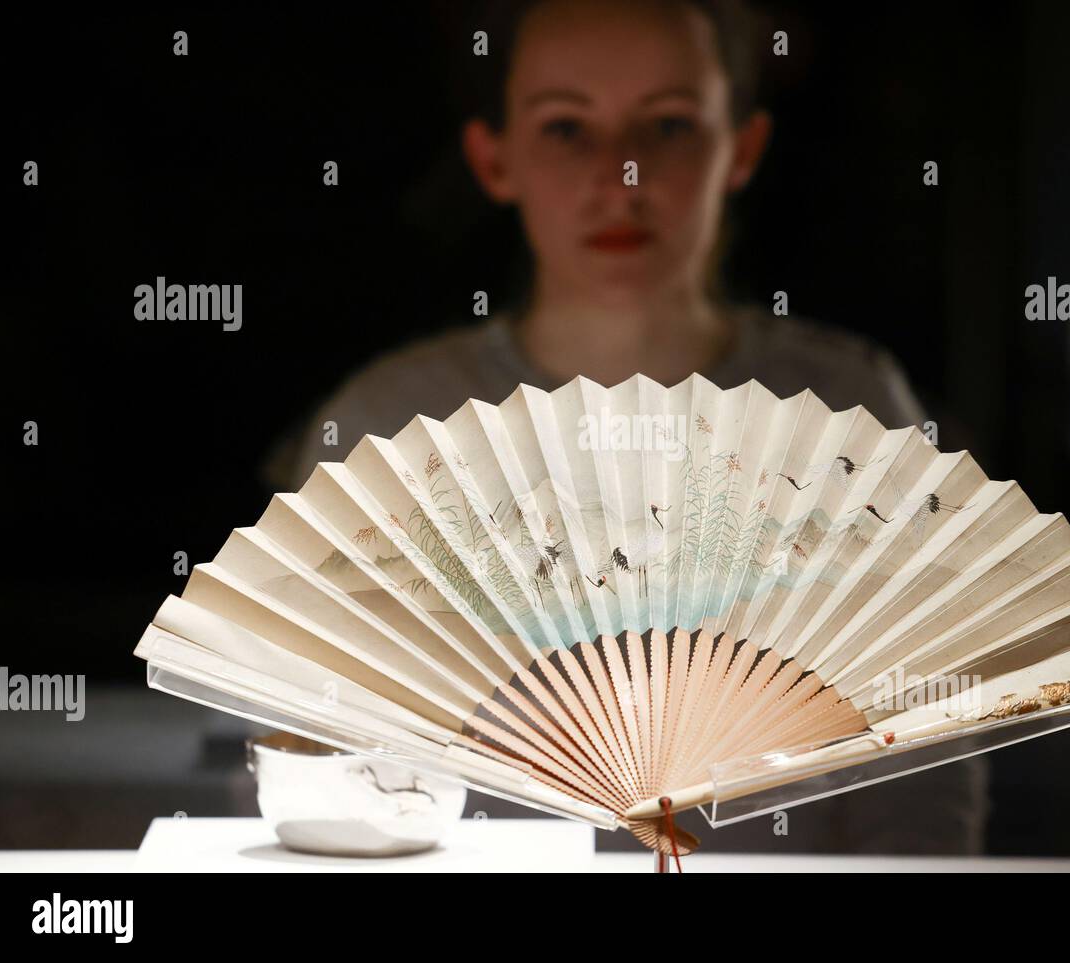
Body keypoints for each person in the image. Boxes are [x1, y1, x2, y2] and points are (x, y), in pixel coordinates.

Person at [265, 0, 990, 855]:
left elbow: (923, 785)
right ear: (493, 159)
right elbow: (310, 761)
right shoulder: (388, 427)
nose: (622, 176)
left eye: (670, 125)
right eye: (567, 128)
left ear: (742, 148)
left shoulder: (854, 413)